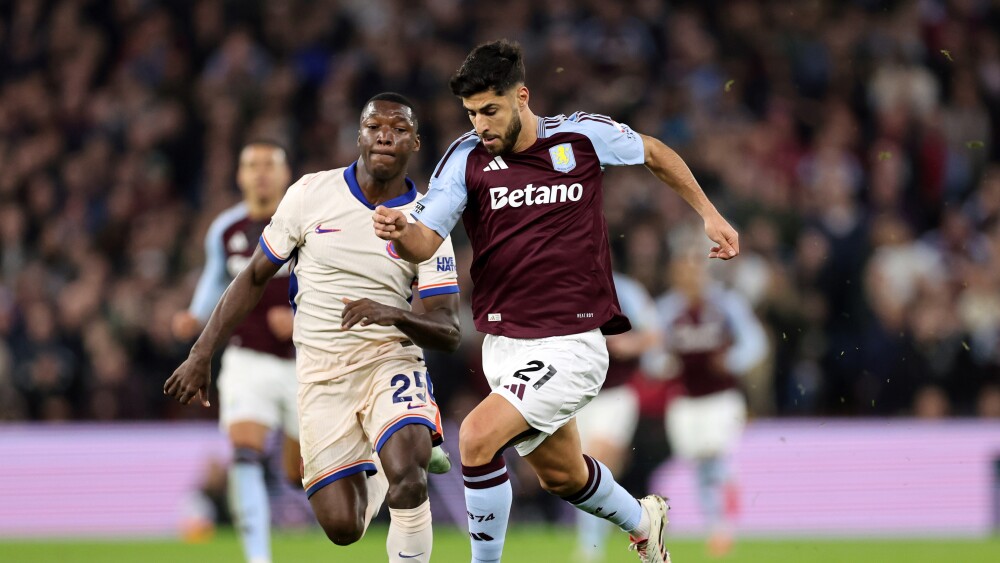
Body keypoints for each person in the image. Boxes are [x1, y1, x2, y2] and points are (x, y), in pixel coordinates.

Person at [373, 40, 740, 563]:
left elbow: (655, 153)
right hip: (504, 345)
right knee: (563, 476)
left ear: (521, 97)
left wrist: (709, 213)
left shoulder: (579, 136)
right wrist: (399, 231)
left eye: (490, 110)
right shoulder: (466, 158)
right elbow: (425, 240)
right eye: (472, 113)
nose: (480, 125)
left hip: (572, 344)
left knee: (475, 438)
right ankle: (644, 520)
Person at [165, 93, 461, 563]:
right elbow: (253, 276)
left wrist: (394, 314)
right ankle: (383, 454)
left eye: (399, 129)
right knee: (343, 527)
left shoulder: (428, 223)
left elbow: (449, 329)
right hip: (321, 375)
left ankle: (405, 444)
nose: (385, 136)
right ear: (359, 136)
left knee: (410, 476)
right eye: (375, 127)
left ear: (415, 143)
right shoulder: (310, 194)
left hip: (390, 360)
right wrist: (201, 353)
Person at [172, 139, 298, 563]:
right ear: (240, 175)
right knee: (245, 450)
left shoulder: (305, 221)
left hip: (306, 363)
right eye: (252, 165)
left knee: (300, 474)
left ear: (285, 174)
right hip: (247, 358)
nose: (261, 173)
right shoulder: (226, 229)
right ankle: (257, 557)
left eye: (269, 164)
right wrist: (195, 314)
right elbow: (216, 277)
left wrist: (300, 317)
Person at [657, 252, 767, 557]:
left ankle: (724, 518)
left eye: (694, 273)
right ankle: (716, 526)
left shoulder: (727, 304)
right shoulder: (666, 310)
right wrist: (663, 365)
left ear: (704, 275)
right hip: (685, 399)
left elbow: (755, 343)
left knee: (716, 454)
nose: (689, 279)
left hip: (722, 397)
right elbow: (652, 352)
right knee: (698, 461)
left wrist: (732, 360)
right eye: (682, 274)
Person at [575, 271, 663, 563]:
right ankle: (643, 520)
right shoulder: (566, 282)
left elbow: (653, 334)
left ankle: (590, 548)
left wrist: (627, 345)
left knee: (595, 463)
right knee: (582, 472)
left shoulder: (626, 290)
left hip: (615, 394)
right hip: (577, 394)